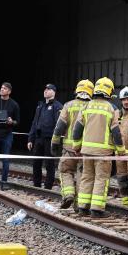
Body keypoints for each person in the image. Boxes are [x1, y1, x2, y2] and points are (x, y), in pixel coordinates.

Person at [71, 76, 122, 217]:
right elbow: (116, 131)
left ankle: (82, 207)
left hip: (86, 151)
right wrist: (121, 150)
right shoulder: (111, 108)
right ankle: (97, 209)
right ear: (109, 91)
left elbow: (77, 129)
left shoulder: (86, 106)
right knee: (101, 179)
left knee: (87, 177)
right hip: (103, 152)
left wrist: (76, 147)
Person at [52, 79, 94, 208]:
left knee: (65, 171)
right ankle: (80, 205)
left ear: (77, 90)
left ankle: (69, 194)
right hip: (85, 150)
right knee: (84, 176)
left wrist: (54, 142)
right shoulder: (93, 106)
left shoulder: (69, 105)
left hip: (69, 149)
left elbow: (60, 126)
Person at [27, 84, 63, 190]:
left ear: (54, 92)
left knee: (49, 164)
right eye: (45, 89)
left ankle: (48, 187)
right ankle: (36, 184)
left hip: (50, 139)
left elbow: (59, 124)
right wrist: (30, 138)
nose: (45, 91)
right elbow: (34, 123)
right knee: (36, 163)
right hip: (38, 138)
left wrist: (56, 140)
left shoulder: (58, 106)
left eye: (49, 89)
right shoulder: (40, 106)